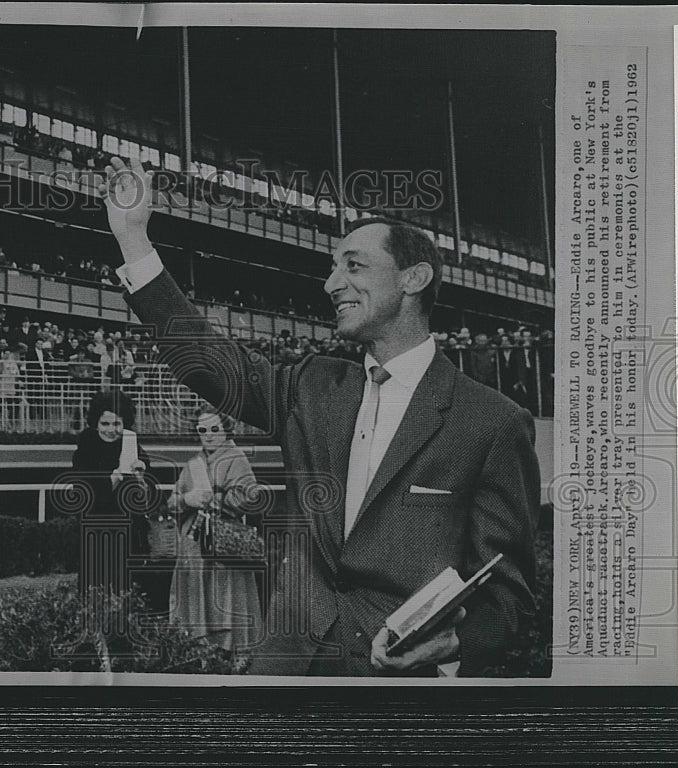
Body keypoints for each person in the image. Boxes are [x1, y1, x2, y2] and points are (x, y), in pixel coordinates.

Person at [99, 157, 540, 677]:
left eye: (353, 265)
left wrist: (452, 642)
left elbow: (509, 596)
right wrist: (133, 241)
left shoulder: (492, 422)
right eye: (333, 268)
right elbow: (208, 364)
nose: (331, 284)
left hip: (394, 689)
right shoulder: (310, 385)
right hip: (284, 667)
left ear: (414, 278)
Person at [168, 404, 263, 653]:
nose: (208, 435)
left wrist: (215, 500)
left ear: (225, 429)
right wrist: (186, 499)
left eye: (214, 429)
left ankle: (230, 656)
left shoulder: (236, 458)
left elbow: (250, 497)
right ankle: (197, 654)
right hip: (193, 548)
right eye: (203, 430)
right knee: (193, 610)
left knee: (226, 603)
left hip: (223, 549)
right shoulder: (193, 463)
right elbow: (171, 502)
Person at [71, 391, 159, 610]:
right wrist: (113, 479)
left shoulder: (133, 447)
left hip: (129, 534)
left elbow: (150, 495)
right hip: (97, 534)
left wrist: (142, 480)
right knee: (95, 594)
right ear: (96, 423)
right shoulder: (85, 448)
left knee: (129, 595)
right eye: (105, 423)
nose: (111, 429)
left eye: (117, 423)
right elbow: (82, 495)